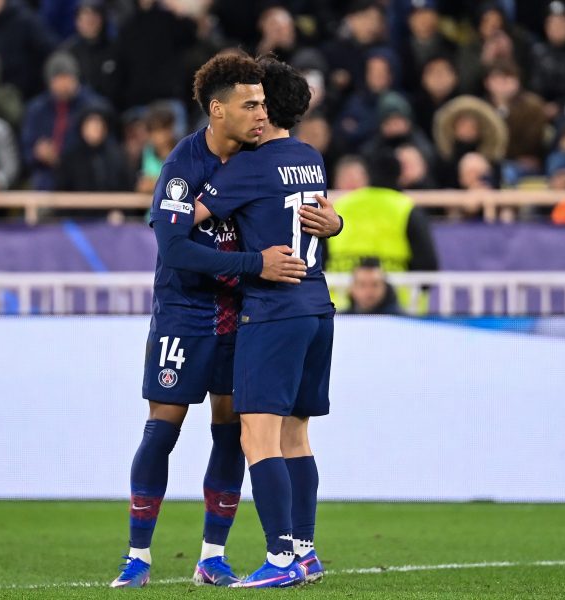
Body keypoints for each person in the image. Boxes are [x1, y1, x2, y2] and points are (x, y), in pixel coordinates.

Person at [109, 53, 322, 589]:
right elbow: (175, 248)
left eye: (264, 104)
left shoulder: (261, 156)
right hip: (185, 313)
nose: (260, 113)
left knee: (230, 436)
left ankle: (212, 555)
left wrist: (334, 220)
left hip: (241, 315)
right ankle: (138, 555)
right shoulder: (183, 169)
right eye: (251, 105)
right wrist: (256, 263)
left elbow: (302, 205)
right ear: (217, 110)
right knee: (163, 431)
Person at [191, 56, 337, 588]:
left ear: (266, 107)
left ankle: (280, 560)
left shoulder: (250, 166)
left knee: (258, 435)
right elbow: (320, 215)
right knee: (297, 435)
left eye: (255, 101)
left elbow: (188, 217)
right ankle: (306, 549)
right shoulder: (310, 157)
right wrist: (337, 222)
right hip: (318, 307)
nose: (251, 110)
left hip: (273, 310)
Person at [22, 51, 104, 191]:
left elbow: (100, 149)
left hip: (83, 178)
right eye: (58, 79)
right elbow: (26, 150)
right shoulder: (37, 110)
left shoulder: (92, 107)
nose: (63, 85)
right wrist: (38, 153)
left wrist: (62, 159)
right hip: (46, 179)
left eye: (67, 78)